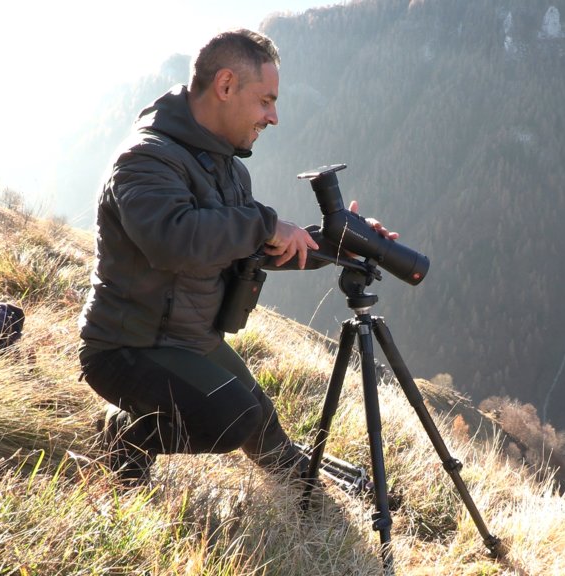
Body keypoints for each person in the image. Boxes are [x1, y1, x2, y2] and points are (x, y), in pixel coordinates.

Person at [77, 28, 395, 484]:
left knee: (267, 433)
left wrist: (335, 244)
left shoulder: (225, 166)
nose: (274, 116)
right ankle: (124, 435)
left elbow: (250, 251)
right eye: (266, 100)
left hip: (190, 340)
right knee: (233, 419)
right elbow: (173, 239)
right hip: (127, 348)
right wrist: (265, 223)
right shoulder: (146, 160)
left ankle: (321, 492)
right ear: (226, 86)